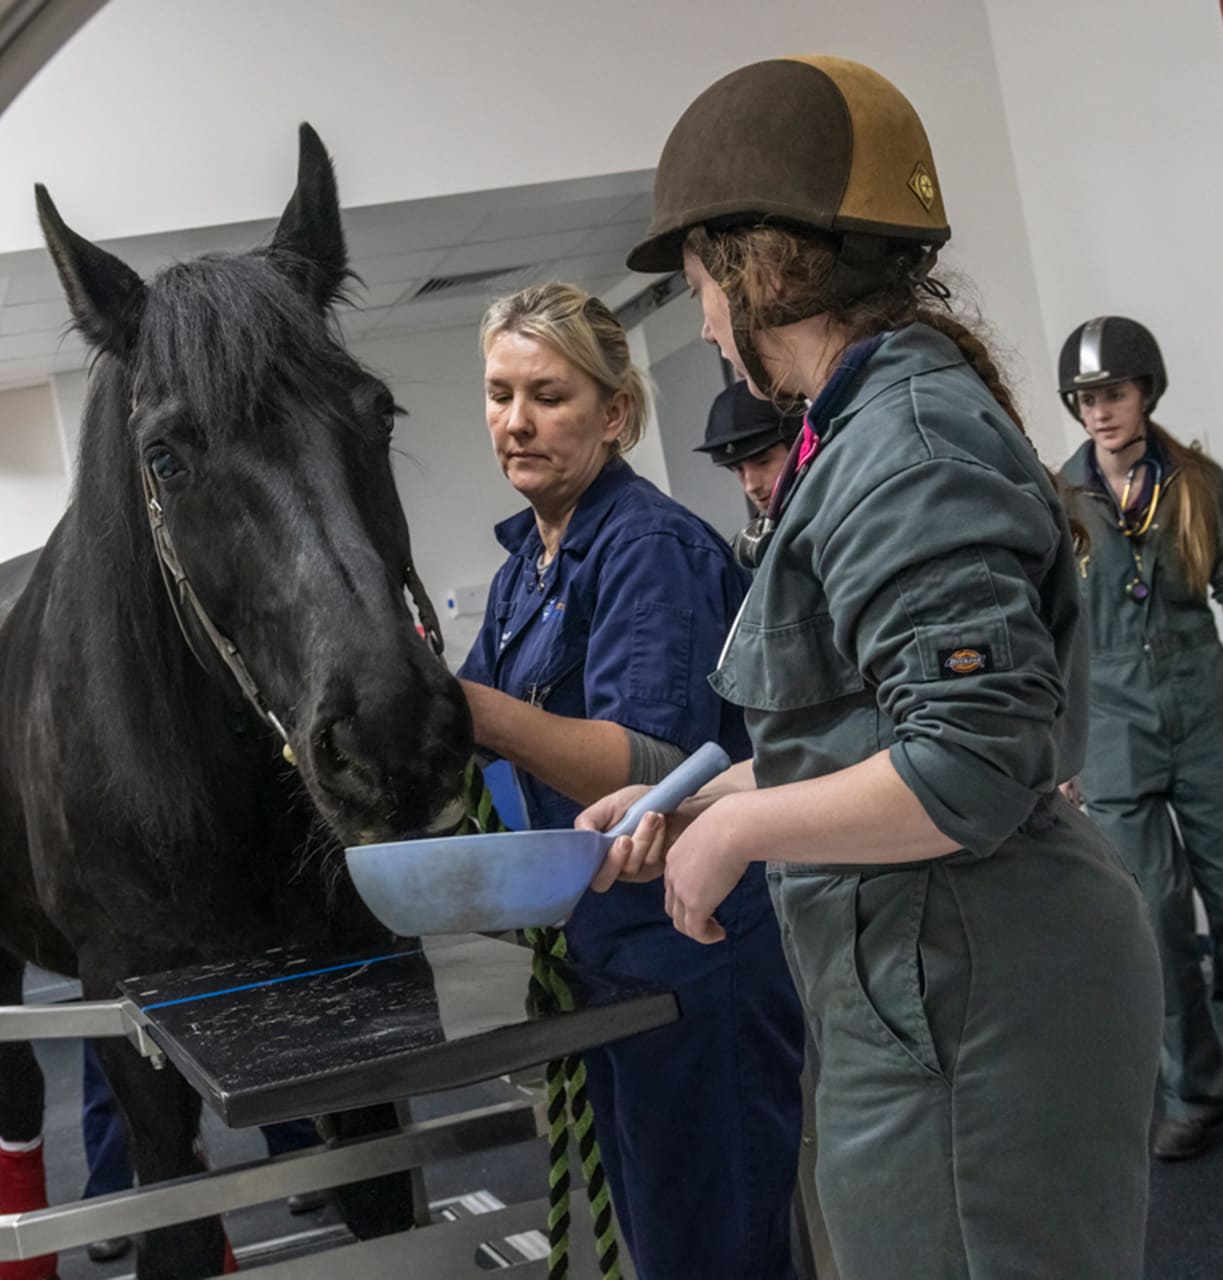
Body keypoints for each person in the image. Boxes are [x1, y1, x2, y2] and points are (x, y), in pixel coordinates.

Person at [588, 57, 1163, 1279]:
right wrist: (717, 797)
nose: (700, 320)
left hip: (970, 988)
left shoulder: (900, 447)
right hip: (922, 977)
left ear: (764, 266)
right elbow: (875, 724)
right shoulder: (864, 429)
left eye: (699, 285)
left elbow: (973, 759)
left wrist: (738, 838)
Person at [457, 282, 804, 1279]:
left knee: (711, 1248)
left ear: (614, 413)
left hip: (692, 951)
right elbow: (471, 731)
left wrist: (463, 708)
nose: (516, 420)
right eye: (499, 392)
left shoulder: (646, 546)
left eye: (549, 395)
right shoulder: (530, 562)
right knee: (661, 1239)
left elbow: (647, 760)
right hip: (605, 947)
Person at [1056, 315, 1223, 1160]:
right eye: (1088, 399)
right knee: (1155, 918)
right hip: (1114, 737)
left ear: (1147, 394)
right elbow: (1051, 630)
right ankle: (1191, 1090)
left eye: (1116, 394)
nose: (1101, 412)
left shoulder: (1200, 485)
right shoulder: (1057, 503)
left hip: (1207, 719)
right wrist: (1061, 751)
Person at [697, 379, 806, 567]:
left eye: (763, 462)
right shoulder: (754, 547)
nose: (751, 485)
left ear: (800, 449)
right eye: (738, 469)